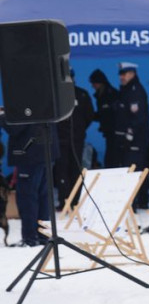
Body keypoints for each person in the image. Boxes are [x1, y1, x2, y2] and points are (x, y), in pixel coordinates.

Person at [0, 114, 58, 247]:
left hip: (29, 153)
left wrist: (3, 117)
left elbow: (15, 128)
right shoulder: (46, 99)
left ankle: (30, 238)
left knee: (27, 198)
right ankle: (42, 236)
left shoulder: (23, 103)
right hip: (47, 149)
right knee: (43, 196)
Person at [53, 69, 95, 210]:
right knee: (61, 170)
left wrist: (79, 129)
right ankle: (64, 201)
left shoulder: (81, 94)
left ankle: (76, 200)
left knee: (75, 169)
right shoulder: (56, 95)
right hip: (60, 140)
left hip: (76, 139)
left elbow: (90, 115)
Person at [113, 62, 149, 209]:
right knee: (132, 169)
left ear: (132, 74)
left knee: (134, 170)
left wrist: (129, 135)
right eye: (120, 74)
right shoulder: (126, 90)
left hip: (136, 140)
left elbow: (138, 118)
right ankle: (139, 200)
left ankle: (136, 202)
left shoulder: (136, 91)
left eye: (124, 74)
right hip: (128, 140)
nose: (121, 77)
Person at [89, 68, 119, 167]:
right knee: (110, 155)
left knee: (112, 156)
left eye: (94, 83)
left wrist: (92, 115)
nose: (92, 86)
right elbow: (103, 113)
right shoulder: (102, 95)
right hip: (109, 131)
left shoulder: (110, 95)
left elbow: (109, 114)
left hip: (114, 131)